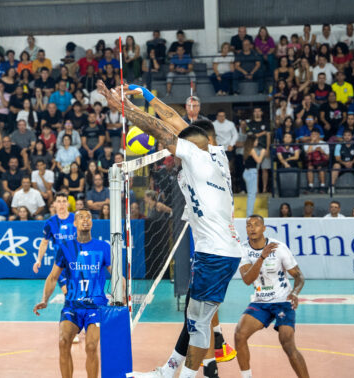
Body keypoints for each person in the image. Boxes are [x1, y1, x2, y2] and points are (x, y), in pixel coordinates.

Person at [100, 83, 240, 378]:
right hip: (216, 250)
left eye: (183, 140)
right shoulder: (214, 153)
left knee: (198, 323)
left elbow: (161, 130)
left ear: (199, 141)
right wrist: (148, 94)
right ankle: (168, 370)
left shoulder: (198, 155)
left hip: (215, 253)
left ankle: (185, 375)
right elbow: (175, 122)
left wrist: (124, 108)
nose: (175, 146)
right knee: (194, 315)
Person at [33, 209, 110, 378]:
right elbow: (53, 277)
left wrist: (123, 297)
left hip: (95, 306)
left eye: (88, 217)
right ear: (74, 223)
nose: (85, 219)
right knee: (63, 342)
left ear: (92, 222)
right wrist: (45, 300)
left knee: (91, 346)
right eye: (81, 217)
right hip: (73, 306)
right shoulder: (65, 248)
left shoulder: (103, 247)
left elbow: (118, 276)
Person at [235, 215, 309, 378]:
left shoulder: (279, 248)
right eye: (248, 225)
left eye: (256, 224)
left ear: (263, 228)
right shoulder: (243, 249)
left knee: (287, 343)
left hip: (283, 301)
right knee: (239, 335)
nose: (252, 228)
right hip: (260, 302)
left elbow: (299, 276)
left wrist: (295, 292)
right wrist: (262, 257)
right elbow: (248, 280)